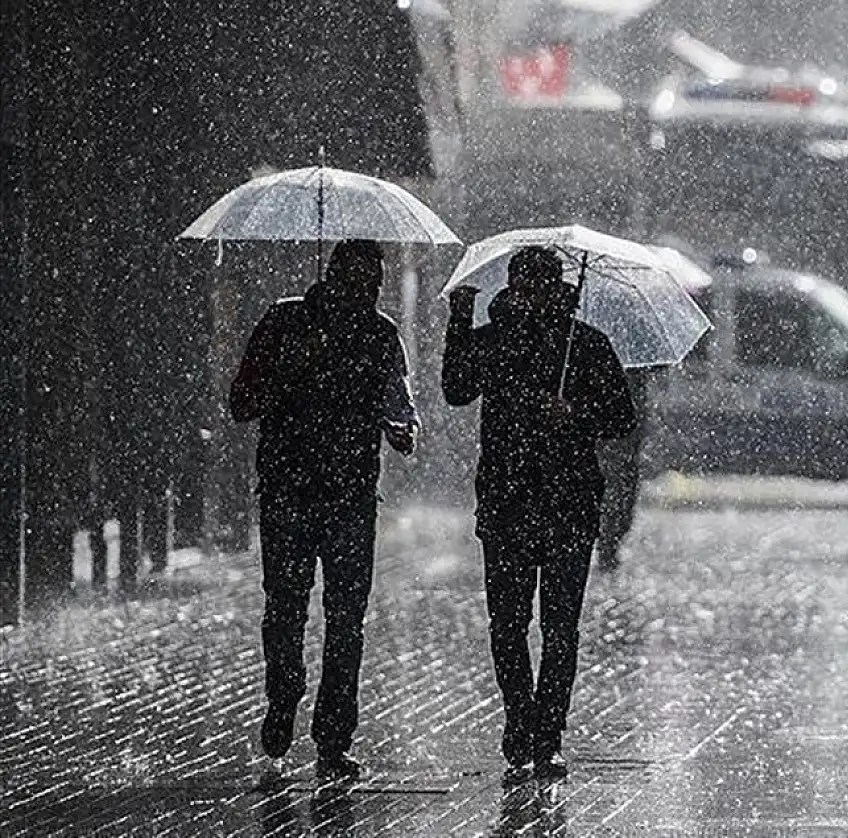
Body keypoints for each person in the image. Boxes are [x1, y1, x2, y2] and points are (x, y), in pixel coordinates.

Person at [442, 247, 636, 782]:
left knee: (559, 628)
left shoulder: (587, 345)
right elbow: (457, 389)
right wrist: (460, 322)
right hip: (507, 501)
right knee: (507, 624)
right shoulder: (495, 337)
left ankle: (548, 734)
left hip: (569, 502)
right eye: (521, 288)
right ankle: (519, 718)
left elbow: (621, 417)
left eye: (537, 289)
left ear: (557, 290)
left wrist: (575, 412)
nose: (528, 299)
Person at [228, 239, 418, 781]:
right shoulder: (285, 323)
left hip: (352, 498)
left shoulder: (381, 335)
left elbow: (398, 404)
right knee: (285, 609)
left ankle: (334, 738)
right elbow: (241, 401)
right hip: (289, 493)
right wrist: (292, 370)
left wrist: (401, 429)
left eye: (374, 285)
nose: (367, 294)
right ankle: (284, 693)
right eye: (359, 282)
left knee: (346, 621)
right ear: (332, 276)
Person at [596, 367, 649, 570]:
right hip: (613, 443)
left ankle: (608, 540)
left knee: (620, 493)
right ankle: (607, 540)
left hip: (623, 445)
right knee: (617, 493)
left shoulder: (637, 373)